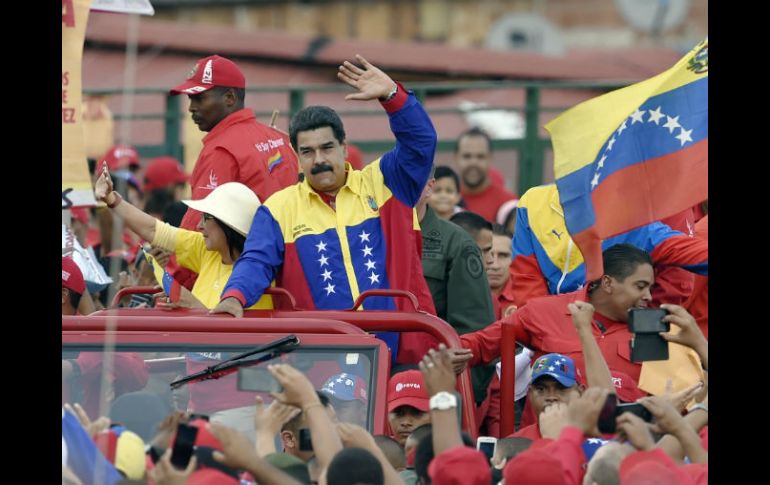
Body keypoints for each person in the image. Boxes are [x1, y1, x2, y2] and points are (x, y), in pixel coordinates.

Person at [213, 55, 438, 363]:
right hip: (321, 361)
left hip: (402, 354)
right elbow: (256, 260)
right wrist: (234, 296)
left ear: (344, 147)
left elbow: (422, 142)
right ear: (296, 156)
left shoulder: (385, 182)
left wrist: (393, 97)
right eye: (307, 151)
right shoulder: (278, 209)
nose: (318, 159)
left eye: (327, 148)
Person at [454, 244, 701, 383]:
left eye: (651, 288)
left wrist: (698, 343)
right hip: (547, 446)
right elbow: (481, 344)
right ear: (607, 283)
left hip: (621, 446)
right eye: (640, 286)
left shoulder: (653, 326)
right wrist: (450, 353)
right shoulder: (544, 311)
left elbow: (687, 391)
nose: (649, 296)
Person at [94, 164, 270, 310]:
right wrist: (111, 199)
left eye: (207, 217)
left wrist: (191, 304)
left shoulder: (256, 273)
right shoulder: (207, 250)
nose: (199, 226)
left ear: (229, 226)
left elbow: (234, 340)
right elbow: (154, 230)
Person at [509, 183, 707, 307]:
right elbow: (526, 280)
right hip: (548, 332)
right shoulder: (533, 202)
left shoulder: (631, 214)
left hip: (612, 331)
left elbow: (685, 251)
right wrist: (546, 325)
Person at [170, 54, 299, 232]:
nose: (191, 107)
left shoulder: (221, 150)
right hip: (289, 251)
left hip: (243, 256)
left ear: (230, 97)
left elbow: (197, 227)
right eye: (190, 99)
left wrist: (171, 258)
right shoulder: (279, 139)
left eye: (199, 98)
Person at [417, 170, 497, 405]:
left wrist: (456, 402)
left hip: (434, 390)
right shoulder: (365, 236)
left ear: (429, 186)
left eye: (413, 177)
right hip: (371, 383)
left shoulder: (457, 242)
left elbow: (476, 337)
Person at [455, 127, 517, 222]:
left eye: (480, 157)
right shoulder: (440, 201)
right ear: (456, 158)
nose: (473, 162)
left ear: (490, 158)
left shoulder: (508, 203)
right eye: (467, 156)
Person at [387, 370, 432, 446]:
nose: (406, 422)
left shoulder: (448, 453)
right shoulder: (376, 453)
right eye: (399, 413)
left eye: (417, 413)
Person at [486, 224, 517, 319]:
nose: (495, 265)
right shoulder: (458, 296)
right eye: (488, 254)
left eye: (503, 255)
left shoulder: (527, 297)